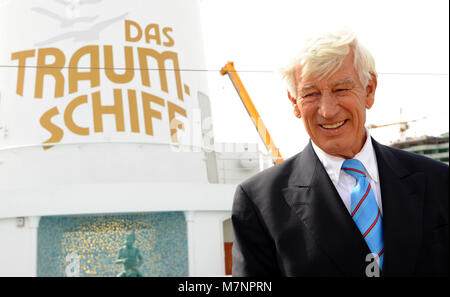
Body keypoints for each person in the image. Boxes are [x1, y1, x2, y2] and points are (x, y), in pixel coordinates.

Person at [231, 28, 448, 277]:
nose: (328, 111)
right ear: (294, 102)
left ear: (369, 90)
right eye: (311, 94)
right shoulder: (259, 202)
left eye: (341, 90)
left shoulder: (439, 182)